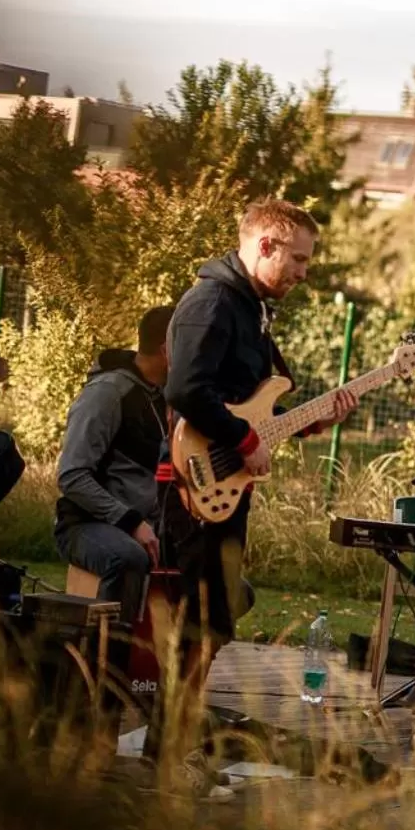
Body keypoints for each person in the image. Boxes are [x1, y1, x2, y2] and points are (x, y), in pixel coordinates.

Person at [163, 198, 357, 657]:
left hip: (227, 484)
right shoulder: (212, 303)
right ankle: (171, 726)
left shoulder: (251, 308)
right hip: (193, 484)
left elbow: (249, 405)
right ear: (266, 245)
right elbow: (186, 389)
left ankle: (186, 722)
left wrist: (314, 422)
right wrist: (245, 440)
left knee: (217, 619)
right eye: (299, 258)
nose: (304, 272)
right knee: (199, 622)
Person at [53, 305, 174, 620]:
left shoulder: (167, 396)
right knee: (129, 558)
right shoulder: (107, 393)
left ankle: (174, 665)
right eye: (191, 343)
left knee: (224, 580)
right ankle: (105, 661)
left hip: (149, 527)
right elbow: (71, 476)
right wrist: (132, 523)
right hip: (86, 525)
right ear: (167, 349)